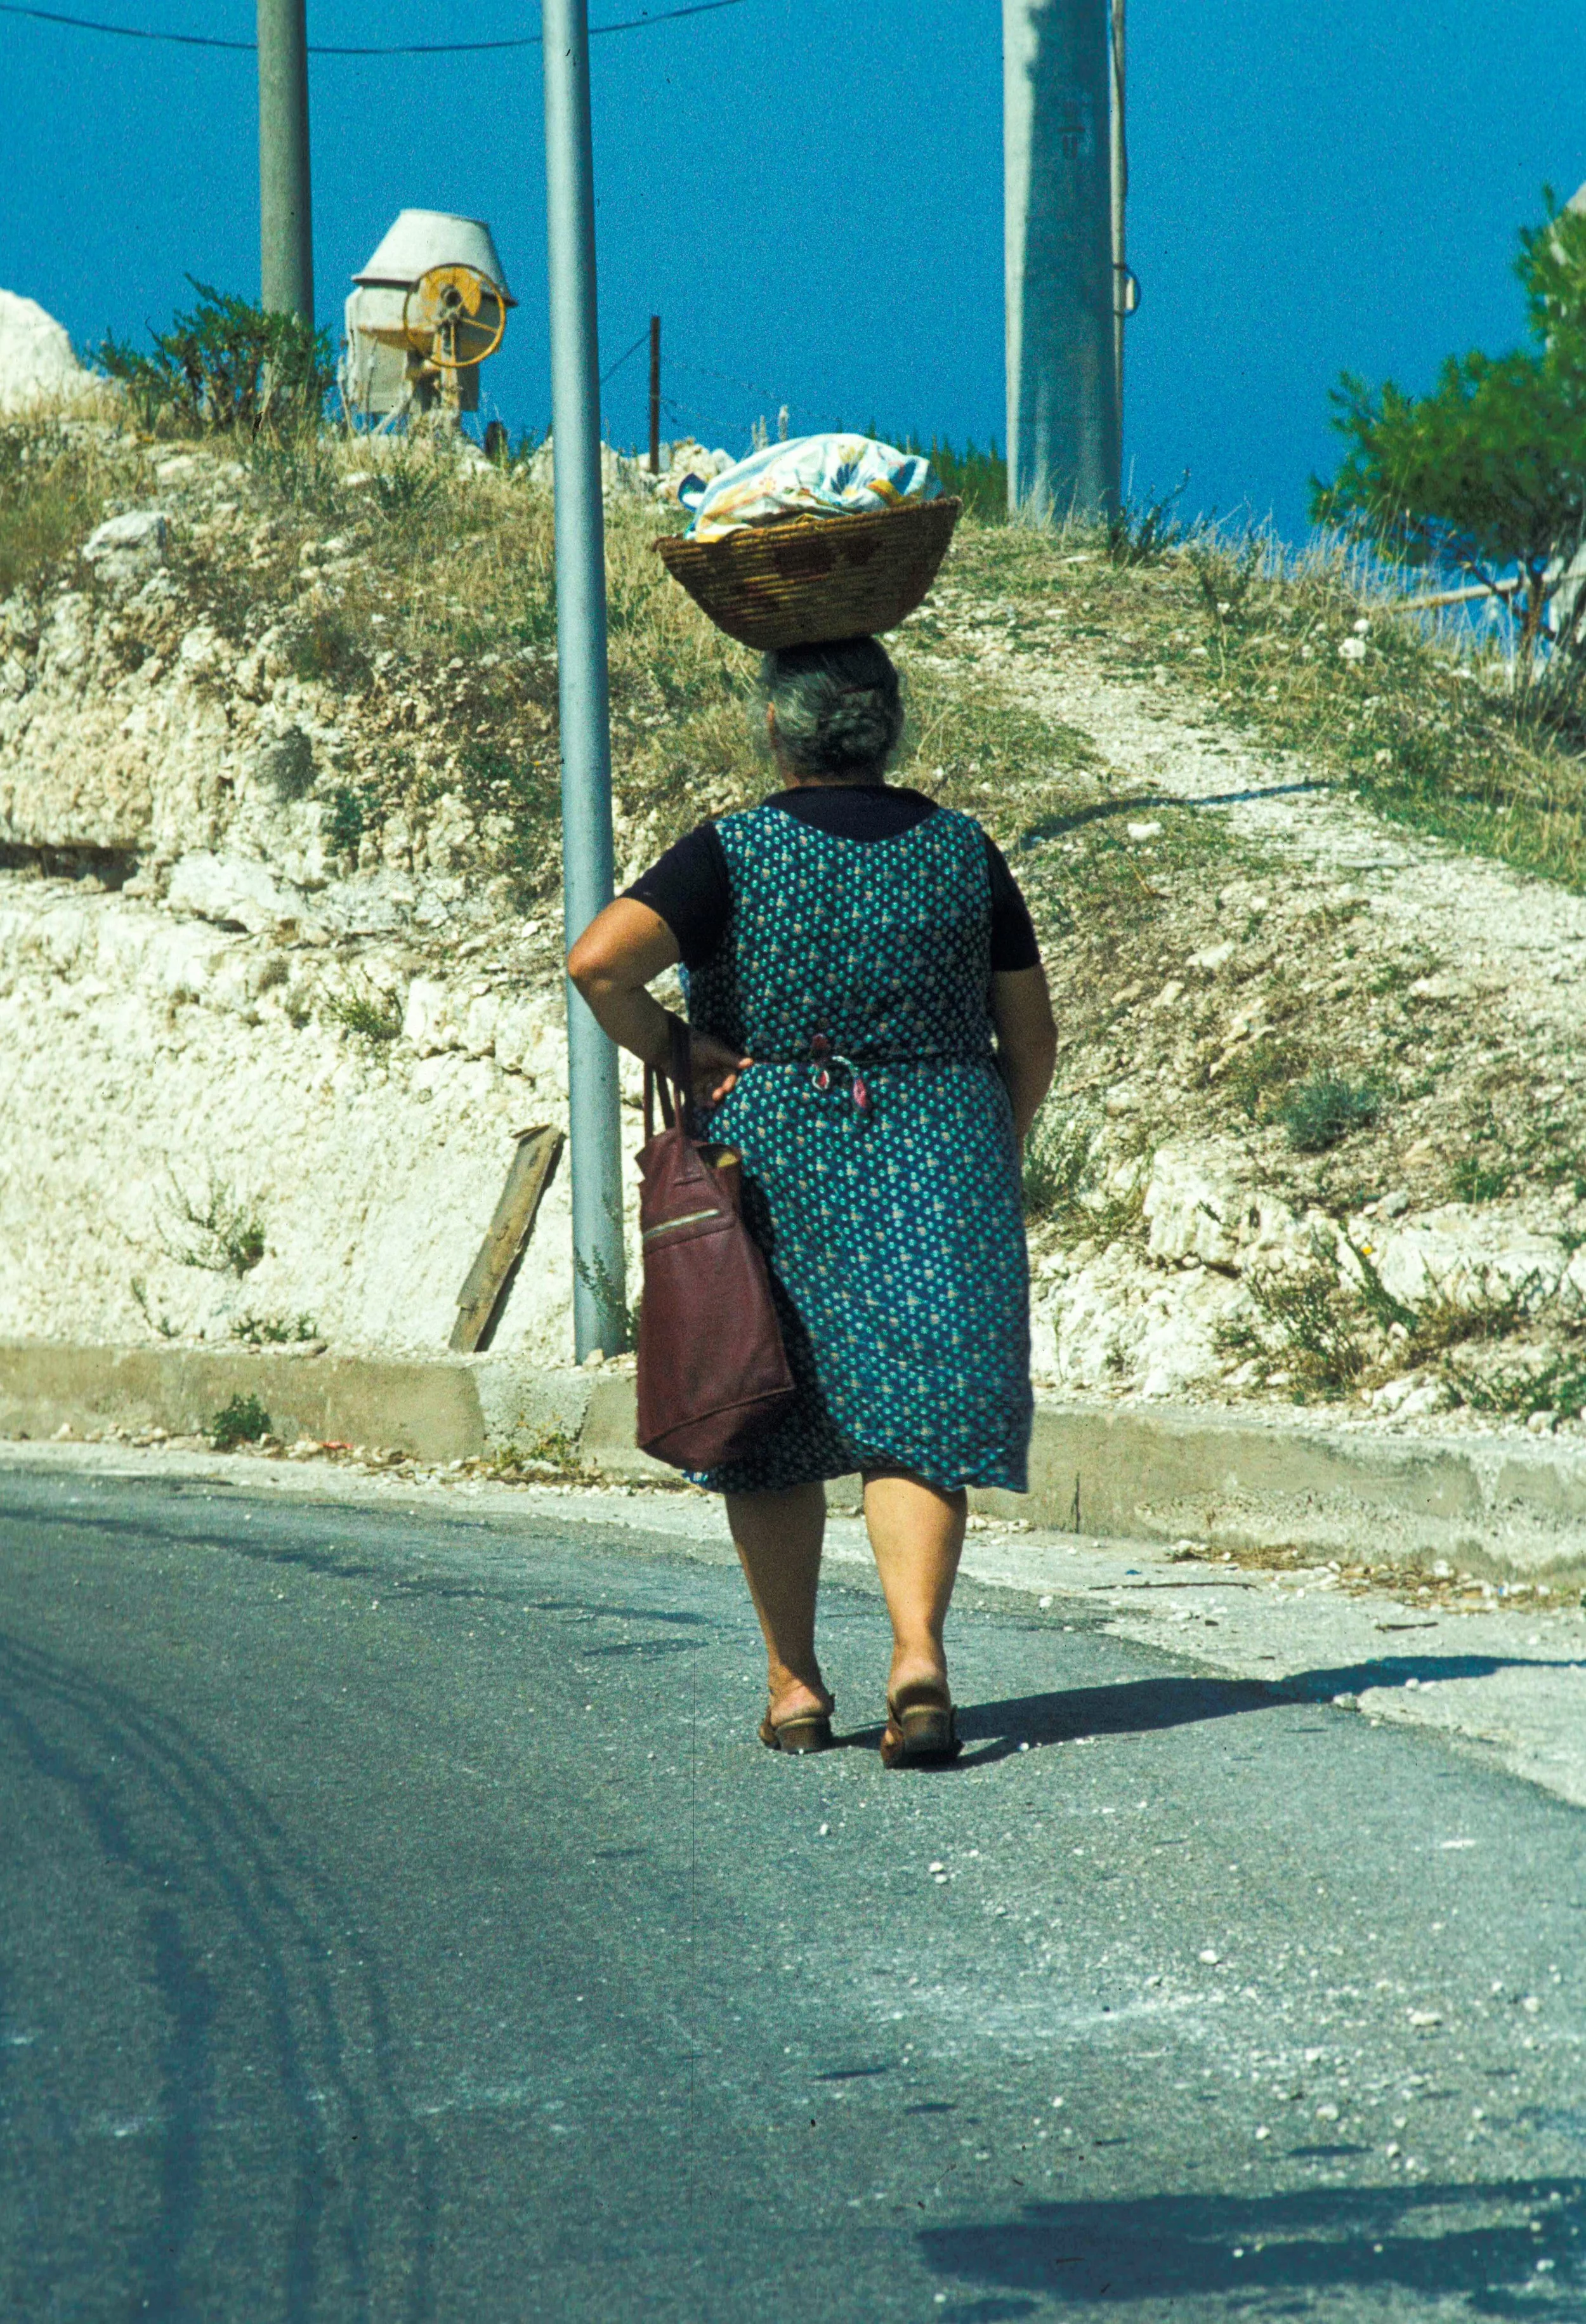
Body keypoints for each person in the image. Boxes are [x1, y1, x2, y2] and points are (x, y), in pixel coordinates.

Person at [568, 635, 1057, 1766]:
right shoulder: (962, 853)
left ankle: (795, 1685)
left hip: (776, 1160)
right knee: (916, 1418)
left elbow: (599, 962)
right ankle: (919, 1661)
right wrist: (988, 1146)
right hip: (939, 1151)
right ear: (889, 729)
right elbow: (1029, 1037)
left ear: (778, 732)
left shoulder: (731, 851)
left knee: (769, 1416)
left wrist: (683, 1049)